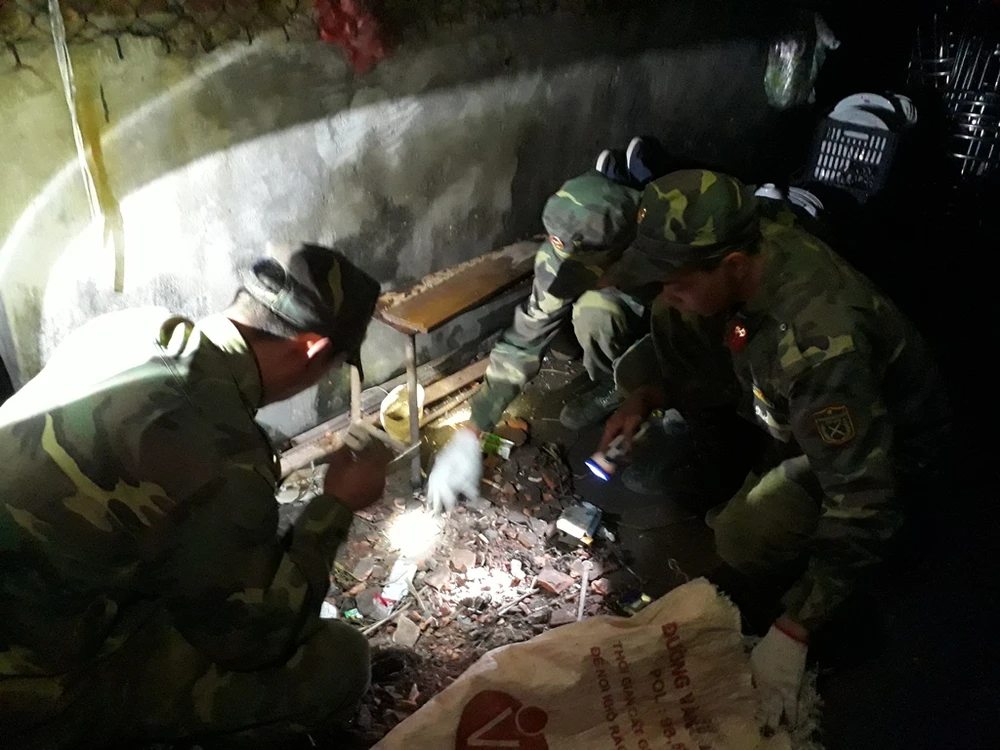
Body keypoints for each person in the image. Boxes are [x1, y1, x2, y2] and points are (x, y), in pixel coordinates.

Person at [598, 170, 950, 730]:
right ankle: (730, 459)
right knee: (667, 327)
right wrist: (649, 397)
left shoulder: (817, 350)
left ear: (734, 266)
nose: (666, 290)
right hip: (790, 405)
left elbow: (865, 493)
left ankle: (847, 600)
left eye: (677, 279)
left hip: (888, 454)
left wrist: (795, 629)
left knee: (742, 535)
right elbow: (721, 335)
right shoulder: (753, 243)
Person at [0, 244, 388, 748]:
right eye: (334, 365)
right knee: (336, 663)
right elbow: (253, 638)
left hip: (38, 600)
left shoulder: (133, 328)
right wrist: (334, 505)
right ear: (312, 348)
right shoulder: (214, 445)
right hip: (27, 687)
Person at [426, 171, 649, 513]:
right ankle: (617, 384)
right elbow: (525, 340)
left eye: (591, 270)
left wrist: (654, 394)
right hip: (634, 303)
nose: (576, 276)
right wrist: (473, 430)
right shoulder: (560, 257)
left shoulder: (669, 247)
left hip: (673, 323)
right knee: (592, 310)